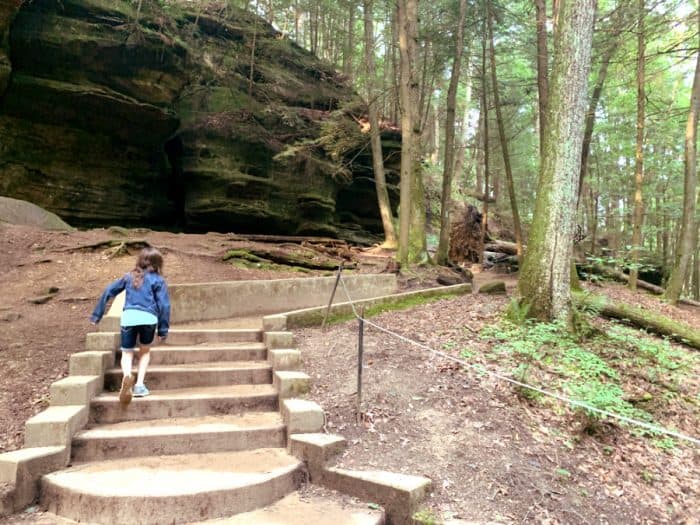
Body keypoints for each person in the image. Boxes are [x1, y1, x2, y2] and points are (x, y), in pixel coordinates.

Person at [90, 247, 170, 405]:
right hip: (148, 318)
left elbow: (109, 291)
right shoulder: (158, 280)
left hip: (129, 317)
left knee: (127, 353)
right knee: (145, 351)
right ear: (157, 263)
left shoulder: (129, 277)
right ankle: (139, 385)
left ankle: (127, 376)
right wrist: (163, 329)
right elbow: (164, 306)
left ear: (140, 261)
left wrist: (97, 315)